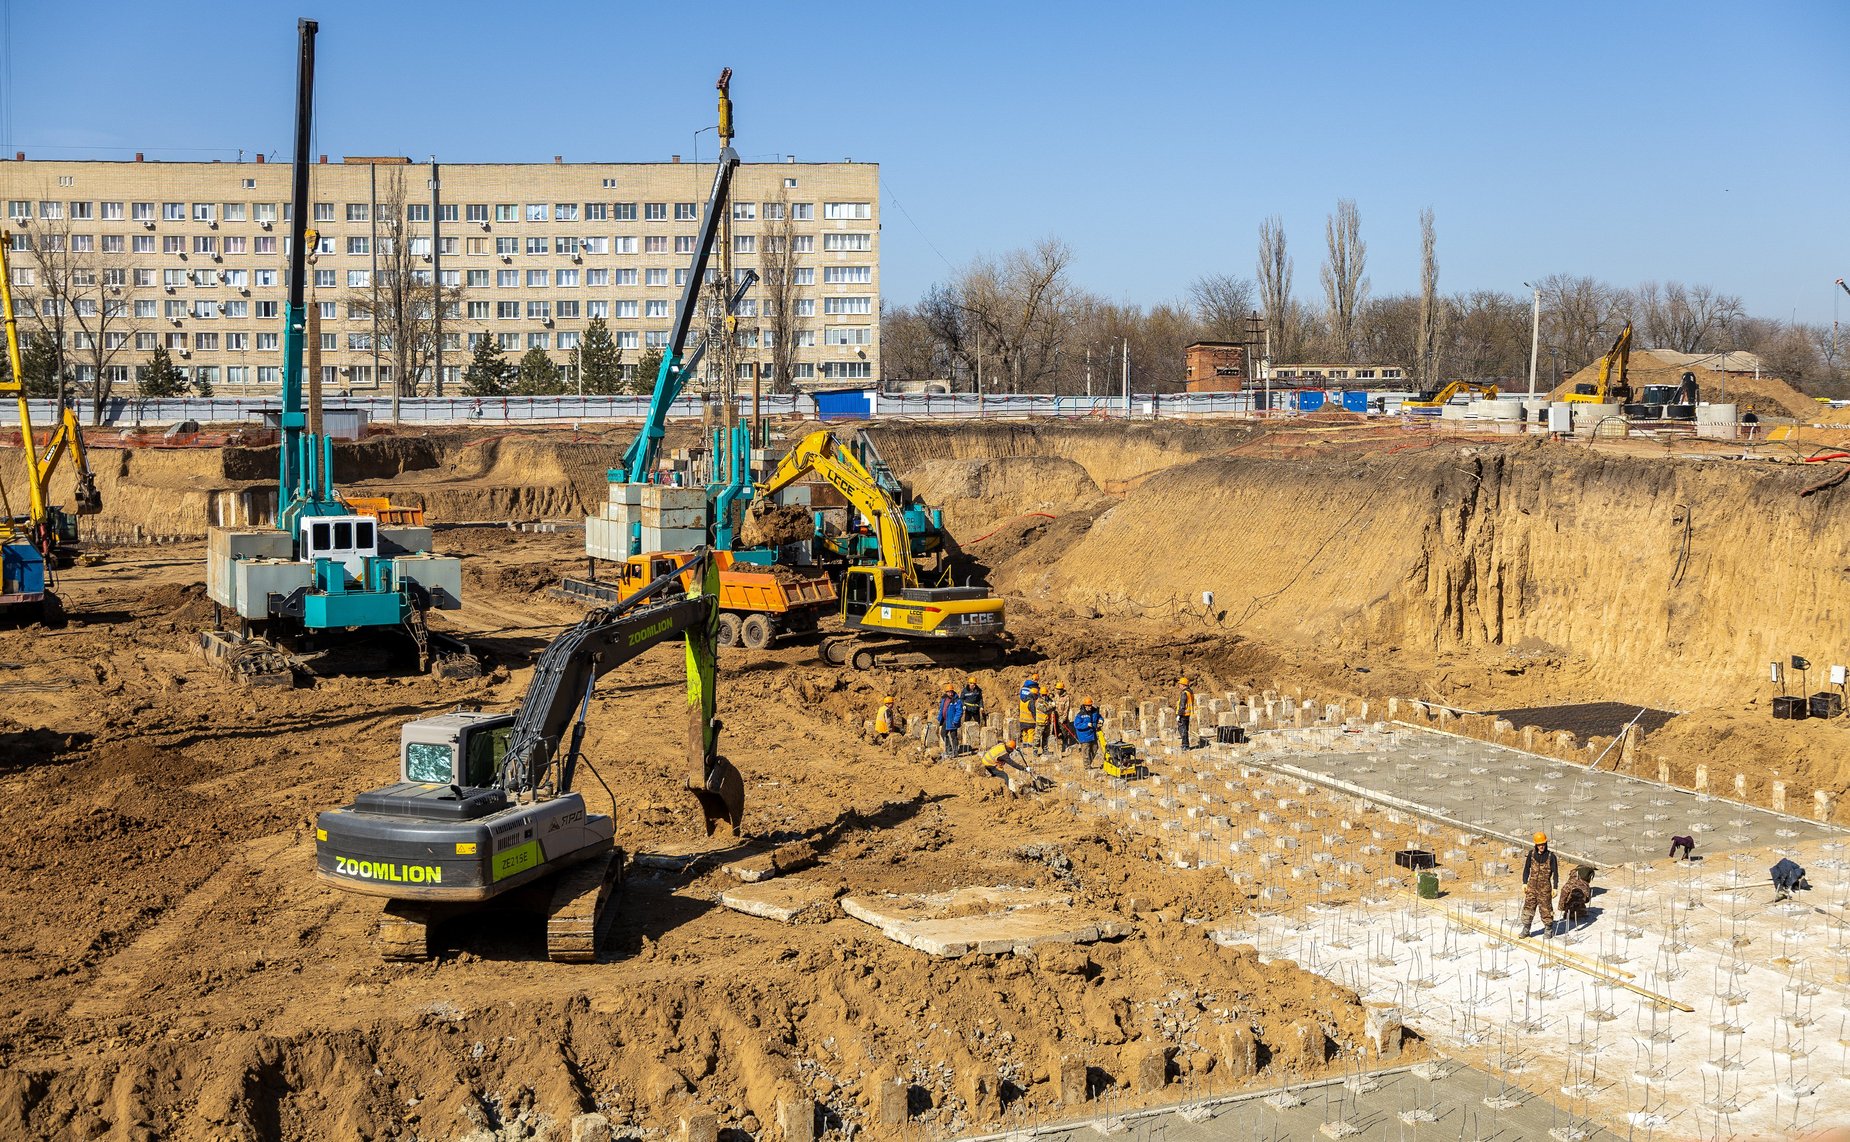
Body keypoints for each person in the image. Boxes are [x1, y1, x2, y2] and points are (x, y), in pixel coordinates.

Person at [1517, 832, 1560, 938]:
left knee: (1546, 909)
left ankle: (1548, 929)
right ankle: (1526, 929)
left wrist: (1555, 887)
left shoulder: (1551, 856)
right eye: (1540, 844)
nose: (1542, 846)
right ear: (1536, 845)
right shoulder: (1531, 854)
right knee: (1528, 908)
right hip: (1531, 887)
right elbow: (1526, 869)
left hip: (1545, 889)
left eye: (1543, 844)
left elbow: (1555, 873)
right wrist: (1524, 882)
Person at [1558, 865, 1594, 931]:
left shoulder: (1584, 885)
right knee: (1574, 907)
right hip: (1571, 900)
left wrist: (1561, 907)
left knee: (1578, 905)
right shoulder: (1571, 883)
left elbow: (1587, 899)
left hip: (1577, 899)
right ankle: (1573, 910)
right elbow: (1564, 892)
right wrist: (1562, 906)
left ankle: (1576, 909)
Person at [936, 684, 964, 761]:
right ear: (946, 692)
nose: (951, 693)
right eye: (949, 692)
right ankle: (949, 749)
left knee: (953, 736)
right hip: (945, 720)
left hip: (952, 721)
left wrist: (955, 720)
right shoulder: (944, 699)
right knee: (943, 734)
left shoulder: (956, 700)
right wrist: (939, 717)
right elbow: (942, 709)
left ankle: (955, 752)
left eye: (951, 692)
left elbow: (959, 711)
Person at [1071, 698, 1102, 767]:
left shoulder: (1094, 712)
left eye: (1090, 705)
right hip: (1084, 736)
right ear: (1085, 706)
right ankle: (1087, 767)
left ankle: (1089, 763)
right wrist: (1086, 725)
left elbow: (1099, 716)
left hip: (1092, 734)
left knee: (1095, 748)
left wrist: (1100, 720)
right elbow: (1077, 725)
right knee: (1086, 751)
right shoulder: (1080, 715)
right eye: (1088, 706)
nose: (1090, 707)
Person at [1176, 676, 1197, 751]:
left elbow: (1182, 705)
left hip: (1183, 714)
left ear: (1183, 685)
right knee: (1185, 729)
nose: (1179, 686)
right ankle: (1185, 744)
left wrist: (1179, 715)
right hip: (1188, 714)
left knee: (1182, 729)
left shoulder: (1185, 693)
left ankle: (1185, 745)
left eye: (1180, 684)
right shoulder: (1190, 692)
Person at [1031, 691, 1054, 757]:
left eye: (1045, 694)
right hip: (1040, 723)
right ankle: (1035, 750)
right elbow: (1044, 709)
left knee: (1046, 737)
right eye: (1043, 694)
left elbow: (1053, 708)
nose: (1044, 696)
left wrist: (1052, 705)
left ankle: (1045, 750)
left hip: (1047, 722)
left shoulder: (1048, 700)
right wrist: (1051, 706)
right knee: (1037, 737)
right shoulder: (1039, 702)